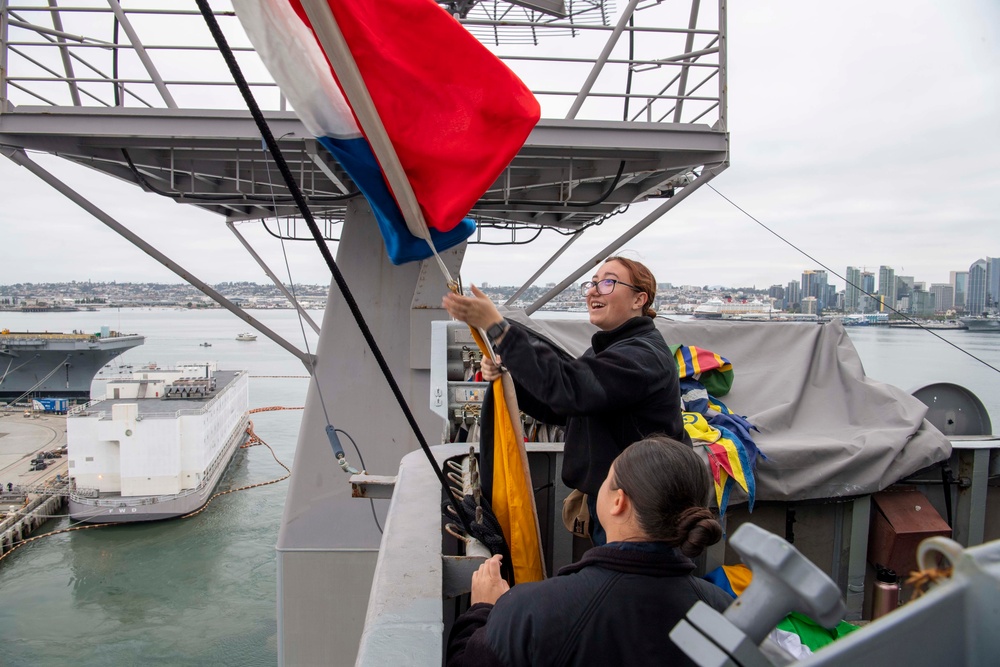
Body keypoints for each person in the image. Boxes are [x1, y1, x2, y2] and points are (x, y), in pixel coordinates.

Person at [442, 256, 688, 543]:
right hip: (619, 501)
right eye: (593, 283)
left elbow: (570, 389)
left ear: (639, 299)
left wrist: (499, 330)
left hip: (641, 513)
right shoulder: (610, 349)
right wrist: (510, 377)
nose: (593, 291)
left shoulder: (643, 356)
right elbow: (563, 408)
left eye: (608, 282)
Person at [446, 436, 731, 666]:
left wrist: (481, 611)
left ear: (618, 502)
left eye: (605, 480)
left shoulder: (533, 611)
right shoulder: (724, 612)